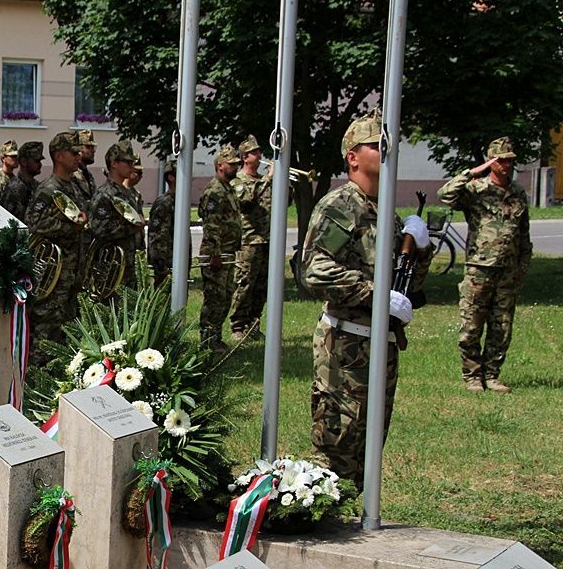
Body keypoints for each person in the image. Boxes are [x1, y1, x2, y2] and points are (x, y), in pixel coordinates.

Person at [301, 108, 432, 488]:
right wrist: (374, 293)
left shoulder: (384, 211)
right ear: (353, 157)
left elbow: (405, 288)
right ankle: (326, 521)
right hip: (345, 344)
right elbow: (313, 269)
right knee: (337, 442)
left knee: (370, 444)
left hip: (381, 344)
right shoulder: (341, 206)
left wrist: (419, 250)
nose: (386, 150)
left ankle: (358, 517)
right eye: (375, 144)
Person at [437, 137, 532, 393]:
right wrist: (472, 172)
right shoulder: (476, 189)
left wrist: (523, 265)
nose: (506, 166)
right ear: (491, 162)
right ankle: (471, 376)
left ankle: (492, 375)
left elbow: (524, 234)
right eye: (501, 160)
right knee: (471, 326)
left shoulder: (518, 193)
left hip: (507, 271)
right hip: (479, 269)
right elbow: (445, 195)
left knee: (501, 327)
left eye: (510, 161)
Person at [26, 131, 89, 365]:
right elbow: (35, 223)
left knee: (66, 339)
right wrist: (71, 225)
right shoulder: (48, 189)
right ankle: (33, 389)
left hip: (71, 277)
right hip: (52, 280)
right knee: (44, 337)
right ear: (59, 156)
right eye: (73, 152)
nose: (79, 156)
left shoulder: (74, 188)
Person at [197, 144, 243, 350]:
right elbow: (211, 225)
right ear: (220, 166)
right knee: (214, 298)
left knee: (225, 297)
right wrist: (214, 253)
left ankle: (215, 336)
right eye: (232, 164)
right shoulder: (214, 191)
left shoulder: (228, 188)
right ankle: (208, 339)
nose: (236, 167)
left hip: (227, 253)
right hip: (216, 254)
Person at [228, 134, 272, 341]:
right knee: (245, 283)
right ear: (245, 157)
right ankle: (237, 325)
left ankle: (253, 324)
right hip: (249, 240)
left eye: (259, 151)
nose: (259, 155)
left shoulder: (262, 181)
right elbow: (246, 199)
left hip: (266, 240)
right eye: (255, 152)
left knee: (261, 286)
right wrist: (268, 179)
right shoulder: (239, 181)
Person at [88, 139, 146, 290]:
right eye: (127, 162)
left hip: (128, 266)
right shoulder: (105, 194)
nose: (132, 166)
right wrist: (133, 227)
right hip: (111, 270)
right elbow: (99, 230)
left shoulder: (127, 193)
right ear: (114, 163)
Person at [147, 158, 181, 285]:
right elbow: (157, 238)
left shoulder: (178, 200)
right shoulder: (165, 203)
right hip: (167, 266)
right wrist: (161, 267)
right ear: (171, 177)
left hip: (178, 264)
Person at [1, 141, 43, 222]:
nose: (40, 164)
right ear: (24, 162)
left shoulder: (36, 185)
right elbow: (11, 221)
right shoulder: (15, 188)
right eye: (36, 161)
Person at [72, 128, 98, 208]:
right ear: (78, 148)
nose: (93, 151)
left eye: (93, 147)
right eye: (88, 147)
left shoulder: (88, 175)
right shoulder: (72, 174)